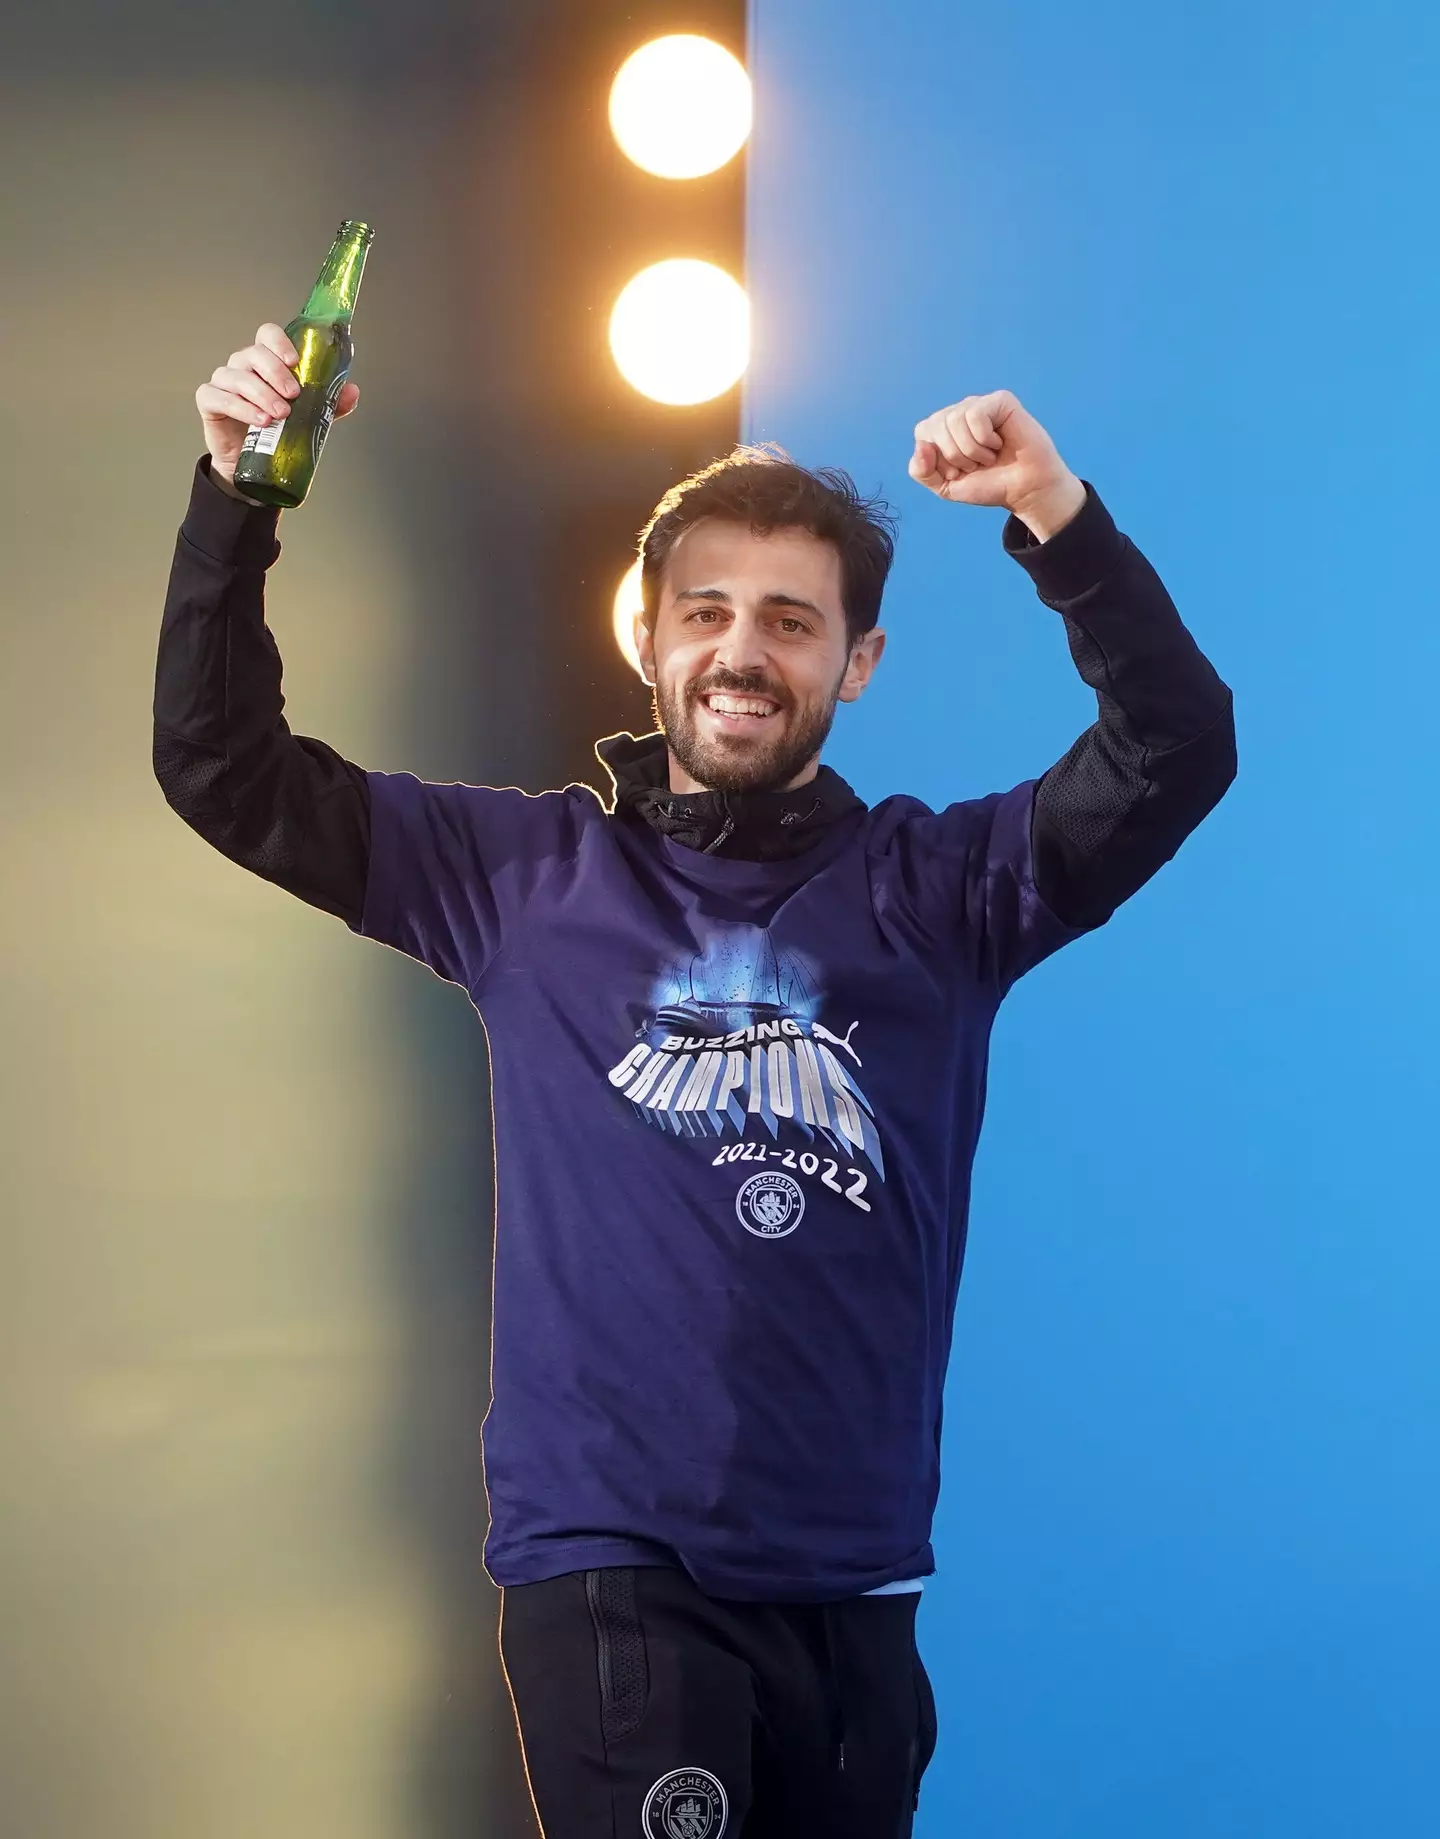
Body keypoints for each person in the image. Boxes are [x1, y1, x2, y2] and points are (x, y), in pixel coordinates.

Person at [155, 322, 1236, 1838]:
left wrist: (1055, 516)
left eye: (792, 622)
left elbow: (1176, 745)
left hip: (857, 1581)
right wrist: (236, 500)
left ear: (859, 664)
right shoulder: (518, 877)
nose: (742, 651)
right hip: (617, 1572)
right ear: (648, 639)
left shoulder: (947, 891)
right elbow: (221, 760)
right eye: (708, 612)